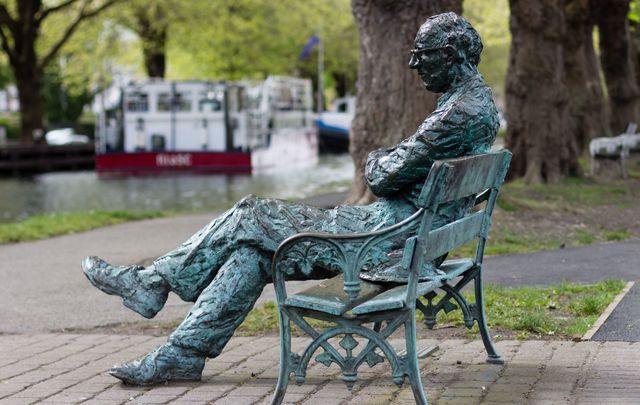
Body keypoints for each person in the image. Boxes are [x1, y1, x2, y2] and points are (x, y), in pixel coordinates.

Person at [82, 12, 499, 386]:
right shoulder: (473, 104)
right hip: (404, 236)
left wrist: (379, 160)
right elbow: (392, 170)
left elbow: (381, 176)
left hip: (386, 242)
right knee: (254, 253)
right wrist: (385, 162)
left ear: (448, 54)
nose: (414, 64)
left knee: (250, 213)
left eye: (421, 54)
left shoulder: (458, 113)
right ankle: (181, 354)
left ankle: (152, 282)